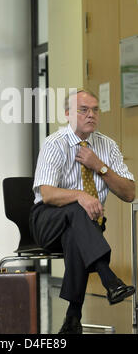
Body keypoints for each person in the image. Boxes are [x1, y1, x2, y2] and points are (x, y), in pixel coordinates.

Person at [29, 88, 135, 334]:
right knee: (77, 211)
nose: (91, 115)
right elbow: (46, 194)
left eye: (95, 110)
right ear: (68, 114)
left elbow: (129, 193)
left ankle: (72, 319)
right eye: (83, 110)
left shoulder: (107, 146)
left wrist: (100, 166)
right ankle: (108, 277)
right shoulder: (55, 144)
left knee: (76, 232)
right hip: (46, 222)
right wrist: (80, 195)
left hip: (84, 227)